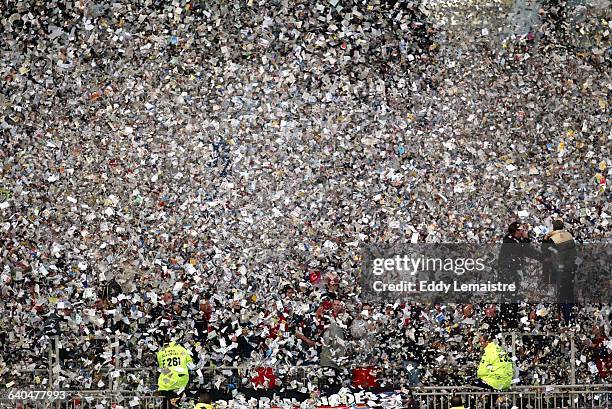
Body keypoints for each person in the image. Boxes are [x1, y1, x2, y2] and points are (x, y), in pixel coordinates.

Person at [497, 222, 545, 328]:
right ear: (516, 232)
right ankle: (506, 320)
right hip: (507, 274)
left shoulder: (517, 241)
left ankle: (511, 318)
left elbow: (529, 252)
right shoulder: (509, 241)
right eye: (521, 230)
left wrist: (543, 258)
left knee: (513, 295)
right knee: (508, 296)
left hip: (512, 273)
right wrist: (526, 239)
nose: (523, 231)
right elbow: (524, 250)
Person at [542, 219, 577, 322]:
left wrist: (545, 238)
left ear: (553, 227)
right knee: (569, 293)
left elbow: (544, 249)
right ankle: (572, 317)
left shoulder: (553, 238)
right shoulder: (569, 236)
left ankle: (567, 319)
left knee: (562, 295)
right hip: (570, 269)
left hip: (560, 269)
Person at [156, 331, 193, 407]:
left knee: (168, 403)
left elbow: (162, 367)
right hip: (181, 381)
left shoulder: (161, 352)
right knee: (180, 403)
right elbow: (190, 363)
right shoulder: (182, 349)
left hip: (167, 382)